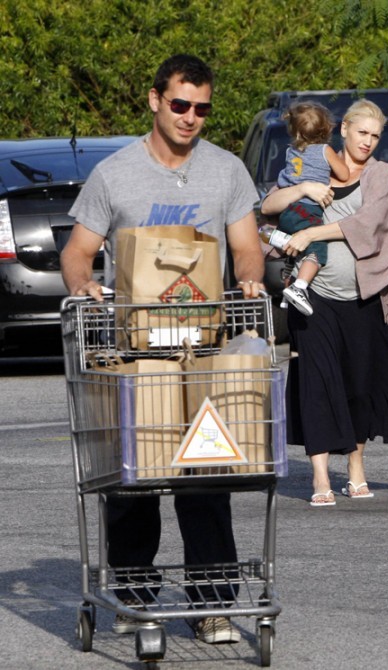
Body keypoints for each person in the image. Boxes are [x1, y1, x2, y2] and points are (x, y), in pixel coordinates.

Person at [61, 53, 264, 643]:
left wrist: (249, 277)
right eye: (180, 105)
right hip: (133, 347)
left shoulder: (225, 171)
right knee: (136, 477)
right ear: (155, 101)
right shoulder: (114, 174)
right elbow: (78, 251)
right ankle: (134, 595)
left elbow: (246, 245)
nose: (190, 117)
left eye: (201, 108)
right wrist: (83, 285)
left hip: (203, 347)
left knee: (207, 470)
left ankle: (213, 604)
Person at [261, 99, 388, 507]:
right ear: (343, 130)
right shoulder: (309, 165)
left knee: (358, 385)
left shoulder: (381, 175)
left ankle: (354, 467)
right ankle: (319, 475)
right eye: (362, 132)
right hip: (312, 297)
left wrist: (312, 235)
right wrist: (303, 189)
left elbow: (366, 225)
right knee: (315, 382)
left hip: (363, 298)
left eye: (375, 136)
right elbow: (267, 207)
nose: (368, 141)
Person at [276, 101, 349, 315]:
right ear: (326, 129)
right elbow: (344, 174)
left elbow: (283, 181)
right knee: (317, 250)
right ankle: (299, 288)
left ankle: (287, 288)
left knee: (294, 255)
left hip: (288, 211)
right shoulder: (325, 151)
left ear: (296, 131)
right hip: (308, 212)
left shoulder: (291, 152)